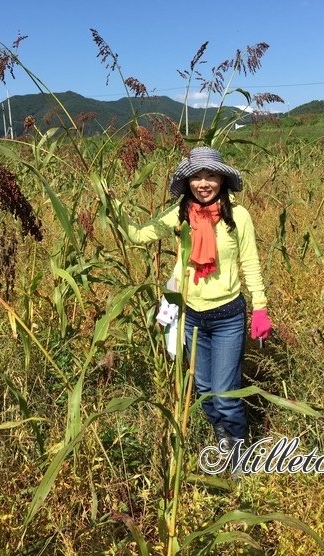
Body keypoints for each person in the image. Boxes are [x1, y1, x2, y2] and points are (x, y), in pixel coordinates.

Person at [117, 146, 272, 449]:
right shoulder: (179, 215)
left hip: (228, 316)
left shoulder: (238, 216)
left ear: (222, 180)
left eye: (211, 176)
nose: (203, 184)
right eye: (196, 177)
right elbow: (137, 235)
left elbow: (250, 262)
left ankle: (239, 453)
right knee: (203, 389)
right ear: (187, 182)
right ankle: (223, 439)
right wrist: (114, 206)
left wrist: (260, 308)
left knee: (226, 395)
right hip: (191, 317)